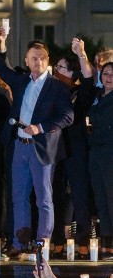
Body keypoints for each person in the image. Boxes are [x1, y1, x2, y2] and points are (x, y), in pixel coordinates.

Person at [0, 35, 74, 254]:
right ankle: (19, 242)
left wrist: (40, 127)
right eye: (34, 58)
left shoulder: (57, 87)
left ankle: (42, 243)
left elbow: (67, 116)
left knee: (44, 198)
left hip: (42, 147)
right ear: (26, 61)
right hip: (20, 145)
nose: (38, 62)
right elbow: (0, 67)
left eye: (42, 58)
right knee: (19, 197)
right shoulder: (21, 81)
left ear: (48, 61)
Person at [51, 53, 92, 258]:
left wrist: (82, 55)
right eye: (56, 66)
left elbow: (88, 80)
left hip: (76, 148)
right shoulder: (53, 90)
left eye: (61, 67)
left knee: (79, 194)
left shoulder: (79, 92)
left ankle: (83, 241)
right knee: (55, 194)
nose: (56, 70)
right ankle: (57, 240)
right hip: (55, 148)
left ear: (72, 72)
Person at [75, 39, 113, 258]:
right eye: (105, 74)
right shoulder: (98, 96)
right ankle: (107, 242)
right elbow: (89, 76)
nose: (108, 78)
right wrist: (82, 55)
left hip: (110, 151)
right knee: (100, 197)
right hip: (95, 151)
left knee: (111, 196)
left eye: (111, 75)